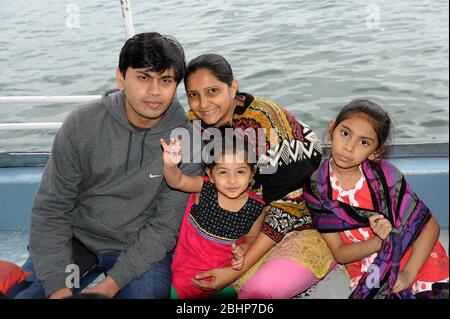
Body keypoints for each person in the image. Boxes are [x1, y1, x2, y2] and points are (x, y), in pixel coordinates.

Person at [14, 32, 203, 299]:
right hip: (77, 241)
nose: (154, 91)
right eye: (143, 77)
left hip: (138, 248)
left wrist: (108, 288)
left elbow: (164, 228)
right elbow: (52, 208)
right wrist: (58, 288)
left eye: (166, 80)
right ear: (121, 77)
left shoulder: (187, 142)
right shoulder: (83, 123)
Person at [183, 53, 335, 299]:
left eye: (213, 91)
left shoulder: (262, 122)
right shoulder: (194, 124)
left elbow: (289, 208)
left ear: (232, 87)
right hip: (243, 223)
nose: (203, 104)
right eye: (193, 95)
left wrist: (235, 271)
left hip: (301, 222)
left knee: (257, 292)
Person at [303, 99, 449, 299]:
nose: (349, 147)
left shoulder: (387, 177)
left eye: (364, 142)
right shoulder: (318, 188)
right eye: (345, 133)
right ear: (331, 130)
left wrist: (407, 275)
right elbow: (340, 253)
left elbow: (428, 225)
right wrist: (381, 241)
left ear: (375, 152)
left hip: (415, 253)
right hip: (368, 265)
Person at [160, 136, 266, 298]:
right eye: (223, 172)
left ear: (252, 173)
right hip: (186, 270)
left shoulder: (256, 207)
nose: (232, 180)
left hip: (226, 275)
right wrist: (170, 165)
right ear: (210, 174)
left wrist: (243, 250)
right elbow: (178, 181)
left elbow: (251, 237)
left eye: (240, 171)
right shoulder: (204, 188)